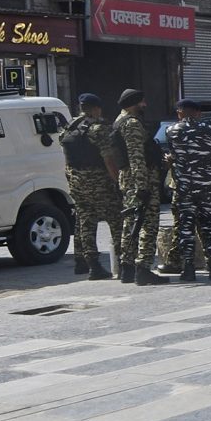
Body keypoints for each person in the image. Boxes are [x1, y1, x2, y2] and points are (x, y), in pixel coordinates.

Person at [162, 97, 211, 282]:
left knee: (186, 227)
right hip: (207, 185)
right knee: (210, 224)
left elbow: (172, 155)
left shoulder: (171, 130)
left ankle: (188, 268)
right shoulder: (209, 129)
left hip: (184, 187)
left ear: (180, 112)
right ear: (197, 112)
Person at [106, 89, 163, 284]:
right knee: (148, 224)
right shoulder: (131, 124)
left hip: (129, 179)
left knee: (131, 223)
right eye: (142, 102)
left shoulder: (119, 120)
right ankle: (143, 268)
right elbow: (136, 157)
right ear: (133, 104)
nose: (145, 105)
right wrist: (142, 186)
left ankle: (127, 268)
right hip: (140, 179)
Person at [61, 92, 117, 281]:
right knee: (115, 219)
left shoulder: (70, 126)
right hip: (99, 181)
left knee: (85, 222)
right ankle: (125, 263)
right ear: (96, 108)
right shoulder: (98, 128)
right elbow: (108, 159)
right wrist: (117, 181)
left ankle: (90, 264)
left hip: (77, 181)